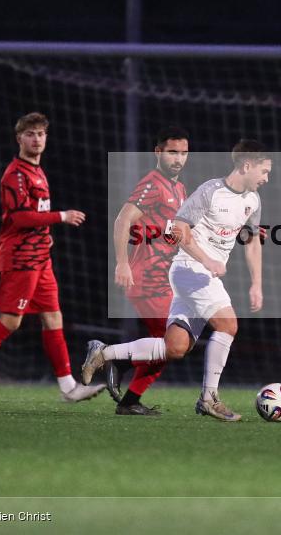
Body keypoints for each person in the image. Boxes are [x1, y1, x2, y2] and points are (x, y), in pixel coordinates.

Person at [83, 139, 271, 421]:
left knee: (175, 347)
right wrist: (207, 260)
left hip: (201, 275)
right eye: (264, 171)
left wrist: (256, 283)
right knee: (228, 325)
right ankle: (209, 398)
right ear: (247, 166)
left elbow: (253, 241)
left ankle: (105, 353)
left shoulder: (252, 201)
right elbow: (179, 229)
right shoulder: (210, 192)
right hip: (189, 270)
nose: (266, 178)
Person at [0, 112, 105, 403]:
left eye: (41, 134)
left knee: (53, 316)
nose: (36, 139)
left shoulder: (37, 170)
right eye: (30, 134)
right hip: (20, 257)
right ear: (19, 138)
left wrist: (46, 234)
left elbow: (36, 213)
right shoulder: (15, 175)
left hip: (39, 257)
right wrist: (61, 217)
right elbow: (19, 218)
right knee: (10, 321)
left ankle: (68, 386)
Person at [109, 125, 190, 416]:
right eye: (171, 152)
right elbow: (122, 220)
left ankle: (129, 399)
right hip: (145, 276)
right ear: (158, 152)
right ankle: (115, 359)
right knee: (175, 341)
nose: (178, 159)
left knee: (173, 344)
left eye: (183, 153)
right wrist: (121, 263)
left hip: (164, 278)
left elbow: (170, 233)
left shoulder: (179, 189)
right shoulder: (153, 184)